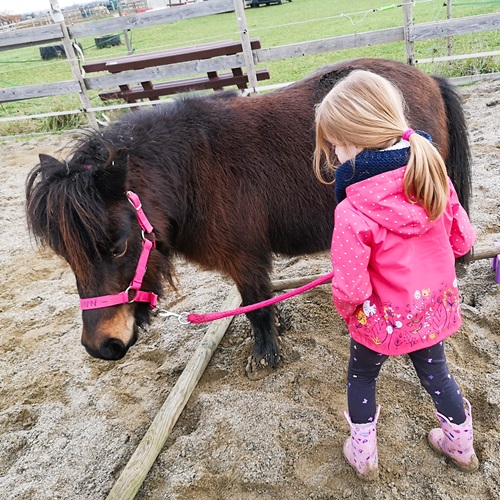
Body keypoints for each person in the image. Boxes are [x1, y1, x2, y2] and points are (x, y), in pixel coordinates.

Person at [313, 70, 478, 481]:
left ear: (352, 139)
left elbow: (350, 287)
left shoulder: (351, 212)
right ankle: (460, 445)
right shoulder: (431, 171)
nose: (335, 155)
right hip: (433, 310)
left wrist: (346, 309)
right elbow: (463, 239)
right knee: (437, 374)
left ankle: (363, 455)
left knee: (362, 376)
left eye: (335, 146)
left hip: (380, 320)